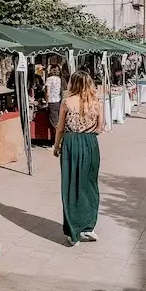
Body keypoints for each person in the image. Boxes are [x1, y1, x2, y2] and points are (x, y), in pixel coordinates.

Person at [53, 71, 104, 246]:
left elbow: (60, 127)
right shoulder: (96, 102)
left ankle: (73, 230)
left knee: (71, 185)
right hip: (90, 143)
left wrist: (57, 145)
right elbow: (100, 128)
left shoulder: (66, 102)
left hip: (71, 143)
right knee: (89, 185)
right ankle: (89, 225)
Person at [45, 65, 63, 136]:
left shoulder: (49, 79)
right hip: (58, 102)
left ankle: (57, 142)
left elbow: (48, 93)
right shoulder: (59, 79)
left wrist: (46, 102)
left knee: (54, 124)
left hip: (51, 102)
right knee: (58, 122)